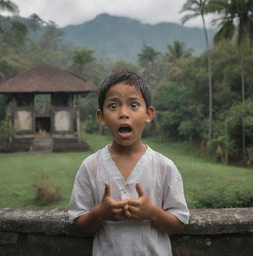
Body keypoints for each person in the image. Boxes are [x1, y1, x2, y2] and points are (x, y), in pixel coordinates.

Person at [68, 69, 189, 256]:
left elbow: (178, 221)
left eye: (133, 105)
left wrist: (152, 213)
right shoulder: (91, 166)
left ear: (148, 114)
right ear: (101, 117)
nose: (123, 114)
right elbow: (79, 223)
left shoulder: (164, 167)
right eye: (113, 106)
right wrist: (100, 213)